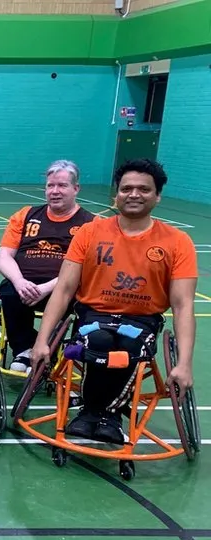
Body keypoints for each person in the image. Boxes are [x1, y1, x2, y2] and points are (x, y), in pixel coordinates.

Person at [31, 158, 196, 444]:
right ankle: (95, 412)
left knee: (130, 349)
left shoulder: (177, 242)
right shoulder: (90, 232)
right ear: (115, 194)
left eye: (144, 189)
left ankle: (103, 414)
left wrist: (184, 364)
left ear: (157, 196)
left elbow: (183, 305)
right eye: (126, 188)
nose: (133, 194)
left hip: (141, 320)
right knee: (98, 344)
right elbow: (65, 289)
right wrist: (42, 340)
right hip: (93, 314)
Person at [0, 160, 96, 372]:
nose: (55, 191)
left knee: (80, 299)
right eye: (50, 186)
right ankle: (24, 349)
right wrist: (20, 281)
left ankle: (52, 348)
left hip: (64, 287)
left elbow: (84, 269)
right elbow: (4, 256)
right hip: (24, 285)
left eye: (62, 185)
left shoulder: (91, 224)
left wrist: (46, 288)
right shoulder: (25, 215)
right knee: (9, 290)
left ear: (76, 188)